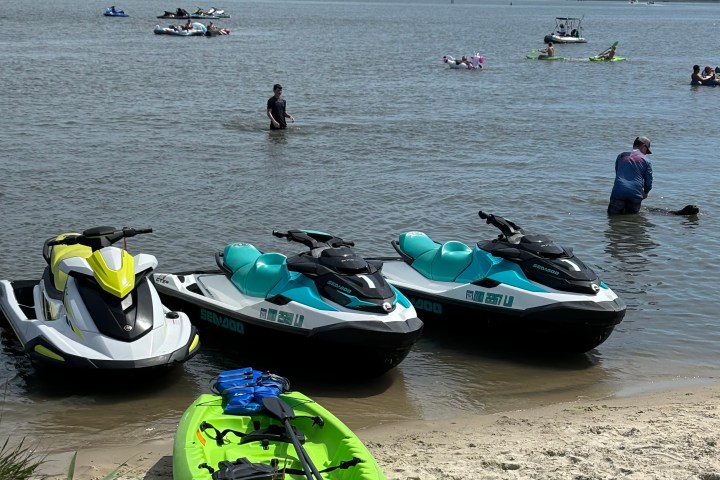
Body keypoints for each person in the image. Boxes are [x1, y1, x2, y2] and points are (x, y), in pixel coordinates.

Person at [607, 136, 654, 215]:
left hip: (618, 192)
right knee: (632, 222)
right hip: (635, 194)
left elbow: (617, 173)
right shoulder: (646, 161)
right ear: (643, 146)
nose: (646, 153)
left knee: (612, 218)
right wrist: (646, 192)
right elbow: (648, 181)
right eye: (646, 151)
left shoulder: (621, 156)